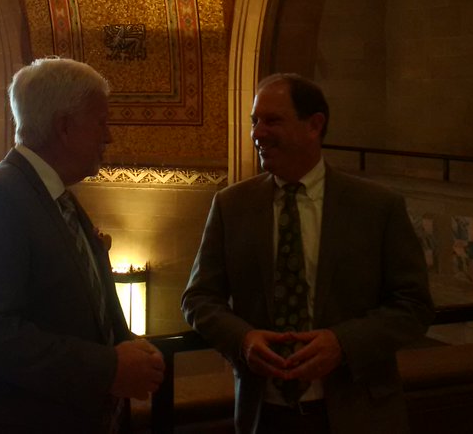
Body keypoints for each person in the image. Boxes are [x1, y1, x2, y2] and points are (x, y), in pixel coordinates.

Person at [0, 57, 164, 433]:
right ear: (64, 127)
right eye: (101, 123)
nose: (109, 137)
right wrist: (108, 367)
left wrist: (126, 345)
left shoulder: (55, 198)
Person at [182, 73, 434, 433]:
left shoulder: (377, 207)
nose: (257, 133)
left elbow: (414, 305)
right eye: (254, 121)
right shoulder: (231, 206)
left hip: (358, 412)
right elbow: (199, 298)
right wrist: (243, 340)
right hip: (263, 415)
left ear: (314, 125)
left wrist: (343, 344)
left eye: (272, 121)